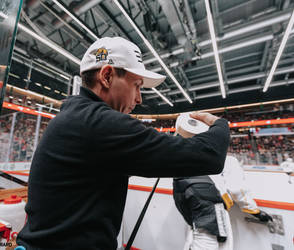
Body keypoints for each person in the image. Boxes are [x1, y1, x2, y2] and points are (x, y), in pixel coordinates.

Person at [17, 37, 230, 249]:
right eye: (137, 86)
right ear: (107, 76)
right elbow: (209, 154)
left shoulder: (76, 118)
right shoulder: (101, 124)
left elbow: (153, 152)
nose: (139, 99)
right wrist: (220, 125)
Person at [172, 113, 272, 250]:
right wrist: (254, 210)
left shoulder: (178, 157)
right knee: (214, 244)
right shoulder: (225, 160)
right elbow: (237, 187)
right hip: (212, 206)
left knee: (196, 238)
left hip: (188, 205)